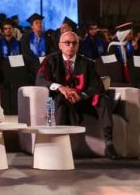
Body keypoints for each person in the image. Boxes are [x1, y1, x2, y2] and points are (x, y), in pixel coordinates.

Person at [36, 31, 119, 160]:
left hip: (82, 101)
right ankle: (59, 147)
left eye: (74, 43)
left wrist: (82, 95)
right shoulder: (50, 60)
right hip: (60, 99)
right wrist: (61, 88)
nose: (71, 46)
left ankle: (109, 144)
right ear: (60, 45)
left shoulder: (88, 63)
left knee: (102, 99)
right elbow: (40, 80)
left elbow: (96, 86)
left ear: (78, 46)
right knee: (59, 101)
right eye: (67, 43)